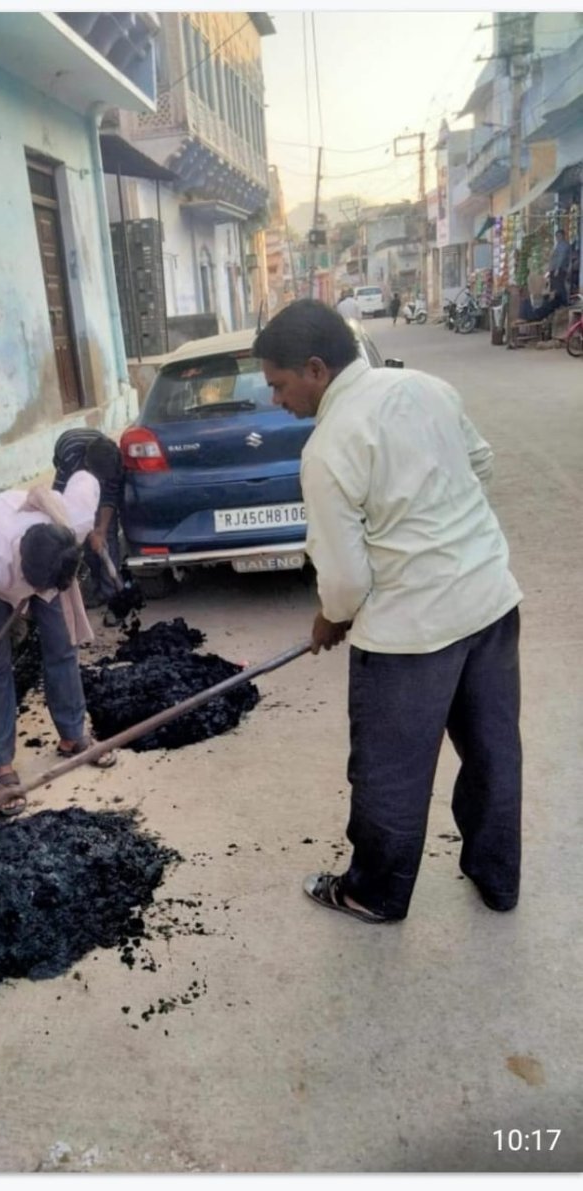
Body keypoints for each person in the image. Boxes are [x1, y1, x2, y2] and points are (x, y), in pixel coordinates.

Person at [253, 299, 523, 925]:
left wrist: (331, 619)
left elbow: (345, 580)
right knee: (492, 754)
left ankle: (373, 893)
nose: (277, 399)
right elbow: (481, 464)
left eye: (279, 384)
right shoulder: (425, 387)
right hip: (490, 601)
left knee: (389, 777)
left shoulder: (327, 449)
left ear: (316, 369)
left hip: (411, 638)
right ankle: (498, 880)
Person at [0, 475, 116, 819]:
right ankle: (2, 766)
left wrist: (89, 536)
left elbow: (86, 479)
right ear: (24, 575)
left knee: (62, 646)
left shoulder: (68, 521)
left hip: (48, 564)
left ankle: (73, 735)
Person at [52, 428, 123, 626]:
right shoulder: (71, 460)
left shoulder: (114, 463)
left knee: (107, 538)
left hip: (94, 455)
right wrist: (88, 528)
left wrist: (100, 530)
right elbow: (60, 502)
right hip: (64, 449)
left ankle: (113, 598)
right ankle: (93, 590)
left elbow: (109, 498)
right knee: (79, 541)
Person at [548, 228, 571, 307]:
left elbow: (561, 258)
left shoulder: (563, 245)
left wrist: (557, 269)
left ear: (563, 236)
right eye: (556, 236)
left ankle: (563, 302)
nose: (557, 237)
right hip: (555, 269)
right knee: (555, 286)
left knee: (559, 286)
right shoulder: (558, 244)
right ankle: (558, 303)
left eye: (559, 236)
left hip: (559, 269)